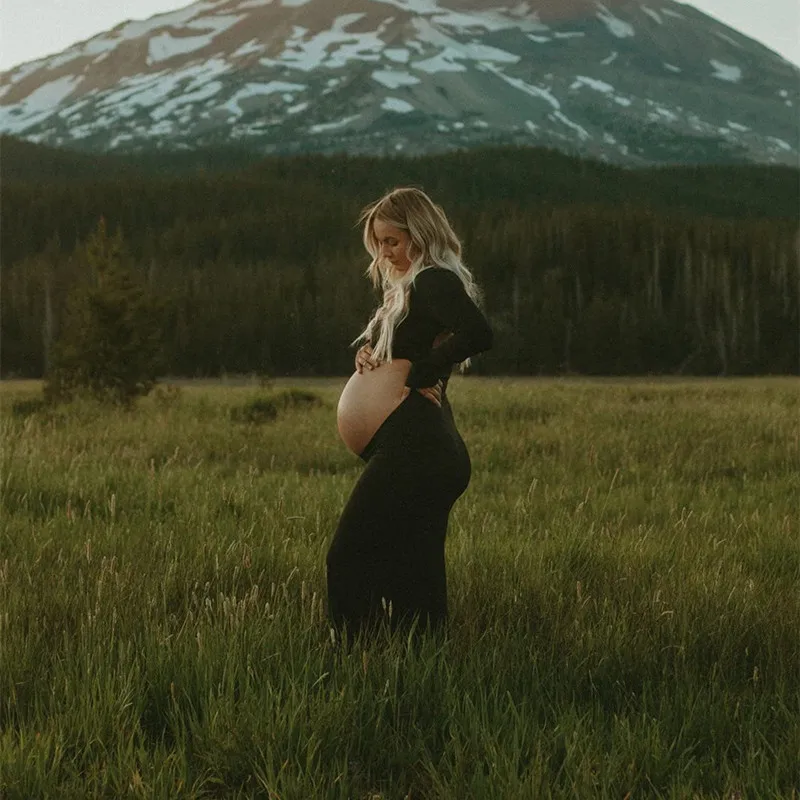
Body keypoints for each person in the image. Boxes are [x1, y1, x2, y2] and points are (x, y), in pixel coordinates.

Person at [327, 187, 493, 639]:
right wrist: (371, 354)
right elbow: (417, 341)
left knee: (348, 555)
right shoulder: (411, 288)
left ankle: (358, 662)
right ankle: (415, 667)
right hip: (423, 449)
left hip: (417, 448)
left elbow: (478, 332)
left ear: (420, 234)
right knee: (413, 571)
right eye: (379, 242)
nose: (385, 252)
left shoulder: (432, 279)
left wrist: (422, 372)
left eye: (393, 241)